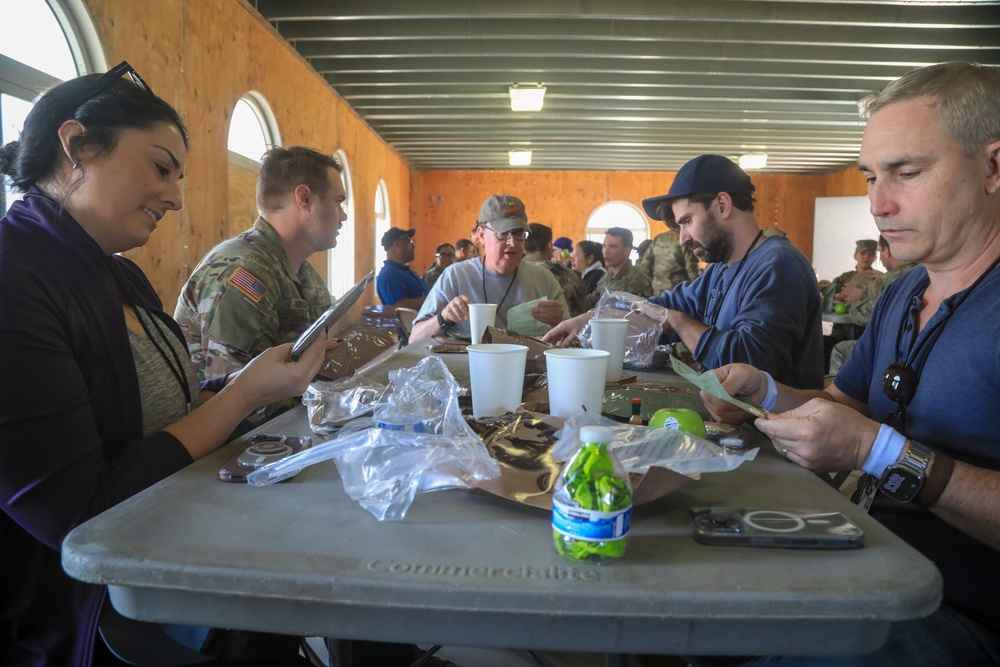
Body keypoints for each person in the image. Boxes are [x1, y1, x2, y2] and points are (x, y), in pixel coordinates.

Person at [0, 63, 332, 667]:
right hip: (92, 616)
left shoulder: (118, 273)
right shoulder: (15, 279)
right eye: (160, 167)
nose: (176, 197)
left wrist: (243, 382)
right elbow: (82, 514)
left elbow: (165, 411)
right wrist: (241, 398)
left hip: (177, 540)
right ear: (76, 146)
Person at [695, 61, 1000, 666]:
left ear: (993, 165)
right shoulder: (904, 293)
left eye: (907, 173)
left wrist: (882, 454)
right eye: (869, 178)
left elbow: (867, 439)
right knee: (700, 604)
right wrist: (765, 394)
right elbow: (846, 407)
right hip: (866, 554)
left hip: (960, 609)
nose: (878, 205)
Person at [546, 154, 824, 390]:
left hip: (779, 439)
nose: (682, 238)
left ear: (723, 205)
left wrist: (678, 322)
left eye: (687, 221)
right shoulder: (720, 270)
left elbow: (748, 366)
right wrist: (589, 319)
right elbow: (660, 306)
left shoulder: (778, 265)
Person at [175, 146, 345, 392]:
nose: (343, 215)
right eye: (338, 202)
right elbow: (236, 398)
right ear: (304, 199)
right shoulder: (243, 272)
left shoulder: (305, 275)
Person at [410, 194, 569, 340]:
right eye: (503, 233)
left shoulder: (544, 279)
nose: (512, 242)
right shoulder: (456, 276)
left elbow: (572, 339)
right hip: (466, 368)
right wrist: (443, 318)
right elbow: (414, 338)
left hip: (525, 368)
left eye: (519, 234)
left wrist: (558, 324)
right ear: (481, 236)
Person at [828, 235, 917, 374]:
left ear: (886, 251)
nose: (866, 258)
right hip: (910, 342)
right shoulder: (847, 277)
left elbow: (860, 315)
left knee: (840, 349)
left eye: (873, 253)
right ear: (855, 255)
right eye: (863, 253)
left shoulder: (882, 279)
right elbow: (829, 293)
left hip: (886, 341)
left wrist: (861, 297)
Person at [525, 223, 589, 316]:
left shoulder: (514, 270)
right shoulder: (562, 272)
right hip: (559, 327)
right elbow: (582, 304)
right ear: (549, 246)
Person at [584, 227, 654, 307]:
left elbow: (640, 313)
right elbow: (594, 299)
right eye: (604, 246)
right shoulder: (608, 275)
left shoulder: (638, 280)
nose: (606, 251)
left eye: (612, 246)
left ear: (626, 250)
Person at [376, 227, 430, 308]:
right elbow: (400, 306)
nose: (413, 245)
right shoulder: (389, 274)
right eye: (409, 241)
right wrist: (430, 300)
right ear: (396, 244)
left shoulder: (404, 271)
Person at [637, 228, 701, 294]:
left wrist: (655, 281)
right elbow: (692, 269)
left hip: (658, 291)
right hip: (678, 292)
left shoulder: (659, 238)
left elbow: (645, 265)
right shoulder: (684, 239)